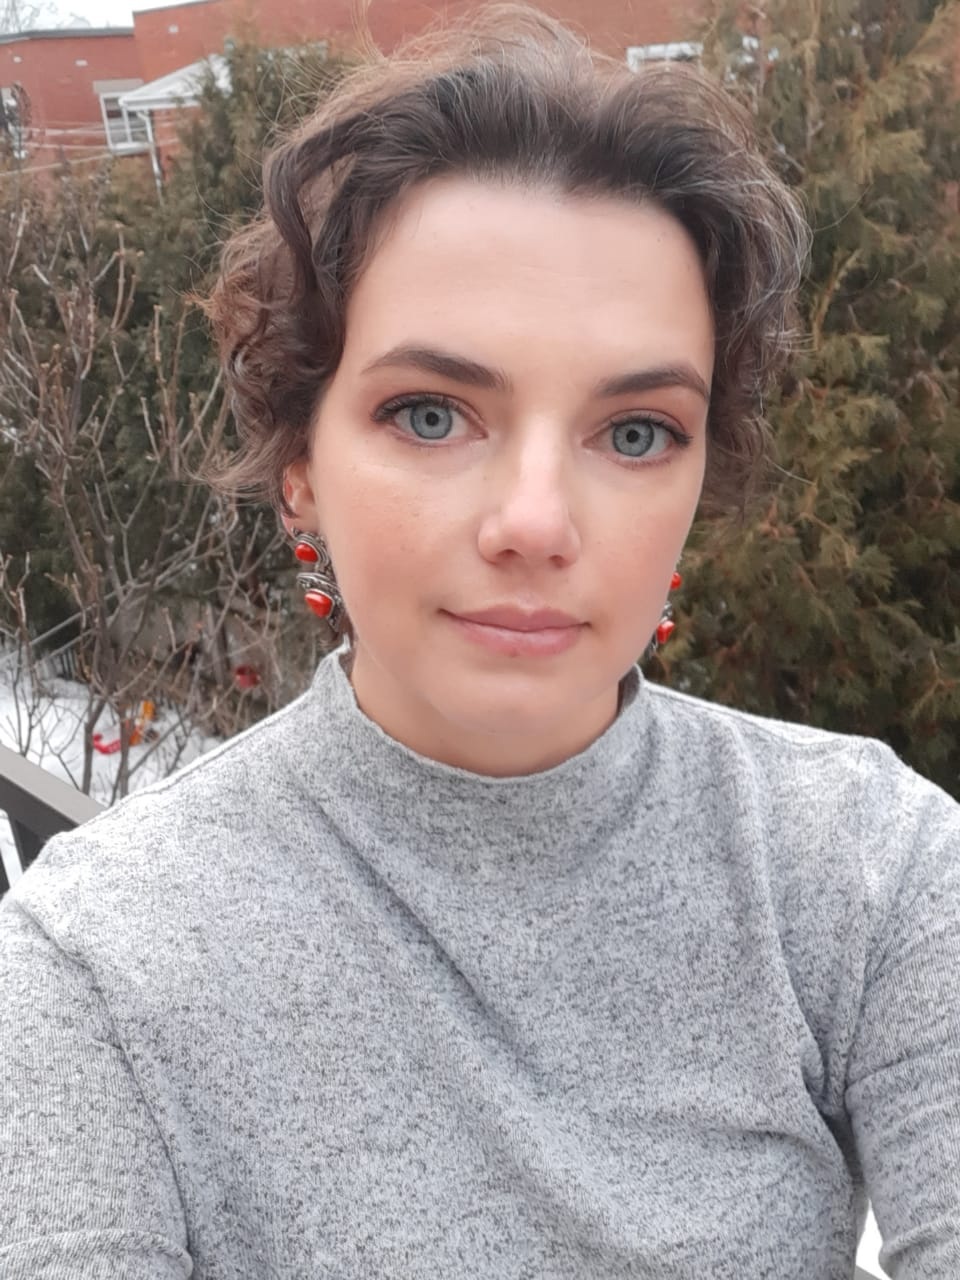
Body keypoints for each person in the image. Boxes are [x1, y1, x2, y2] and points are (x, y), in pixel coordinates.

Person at [2, 5, 958, 1277]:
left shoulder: (870, 866)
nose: (535, 523)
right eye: (431, 413)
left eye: (635, 432)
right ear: (298, 465)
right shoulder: (98, 960)